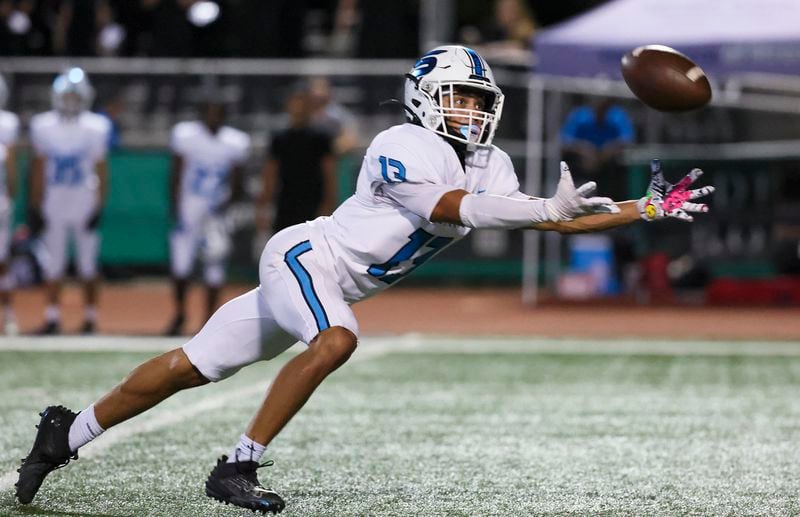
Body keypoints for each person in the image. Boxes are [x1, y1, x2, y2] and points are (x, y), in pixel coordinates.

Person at [15, 46, 714, 514]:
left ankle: (65, 431)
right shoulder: (401, 144)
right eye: (460, 99)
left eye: (478, 101)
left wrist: (645, 207)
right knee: (337, 339)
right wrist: (544, 208)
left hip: (326, 279)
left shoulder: (489, 162)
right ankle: (237, 464)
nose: (472, 111)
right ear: (425, 98)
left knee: (191, 365)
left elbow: (553, 220)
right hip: (305, 258)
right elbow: (451, 209)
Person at [28, 68, 111, 335]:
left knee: (88, 263)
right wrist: (35, 203)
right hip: (55, 200)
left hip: (83, 198)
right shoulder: (43, 125)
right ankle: (52, 317)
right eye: (68, 95)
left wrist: (100, 204)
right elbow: (39, 168)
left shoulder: (96, 126)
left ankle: (90, 317)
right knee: (54, 262)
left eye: (76, 96)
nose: (72, 100)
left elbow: (101, 168)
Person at [164, 94, 249, 336]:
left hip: (217, 210)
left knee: (215, 265)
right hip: (189, 206)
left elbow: (237, 179)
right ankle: (180, 314)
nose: (213, 116)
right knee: (181, 263)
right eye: (209, 110)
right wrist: (175, 204)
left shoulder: (234, 141)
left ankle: (208, 321)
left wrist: (228, 204)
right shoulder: (186, 135)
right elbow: (177, 171)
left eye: (217, 111)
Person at [256, 87, 336, 235]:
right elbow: (270, 176)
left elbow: (329, 175)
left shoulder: (321, 138)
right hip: (286, 203)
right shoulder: (279, 139)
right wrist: (263, 208)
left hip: (313, 204)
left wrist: (327, 206)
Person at [560, 96, 635, 200]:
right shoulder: (580, 115)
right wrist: (584, 150)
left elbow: (627, 140)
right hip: (582, 163)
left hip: (608, 164)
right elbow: (566, 141)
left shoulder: (617, 116)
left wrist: (608, 150)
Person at [0, 74, 20, 334]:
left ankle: (8, 313)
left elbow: (12, 170)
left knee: (2, 261)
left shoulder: (6, 124)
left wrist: (11, 199)